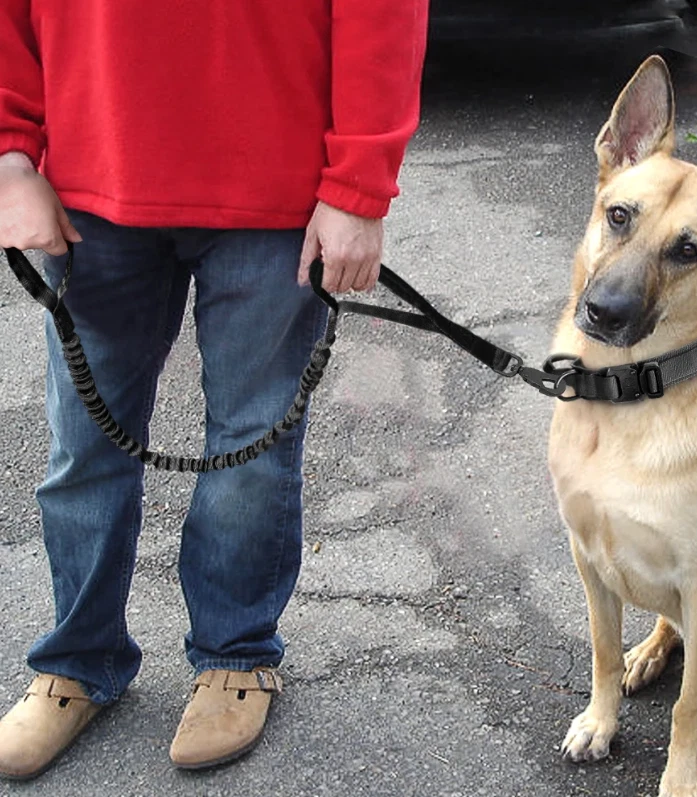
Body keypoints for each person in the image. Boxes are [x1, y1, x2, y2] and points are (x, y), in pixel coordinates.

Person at [0, 2, 429, 780]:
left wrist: (358, 187)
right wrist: (9, 153)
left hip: (273, 184)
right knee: (83, 449)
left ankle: (235, 655)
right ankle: (76, 661)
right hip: (92, 178)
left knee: (251, 449)